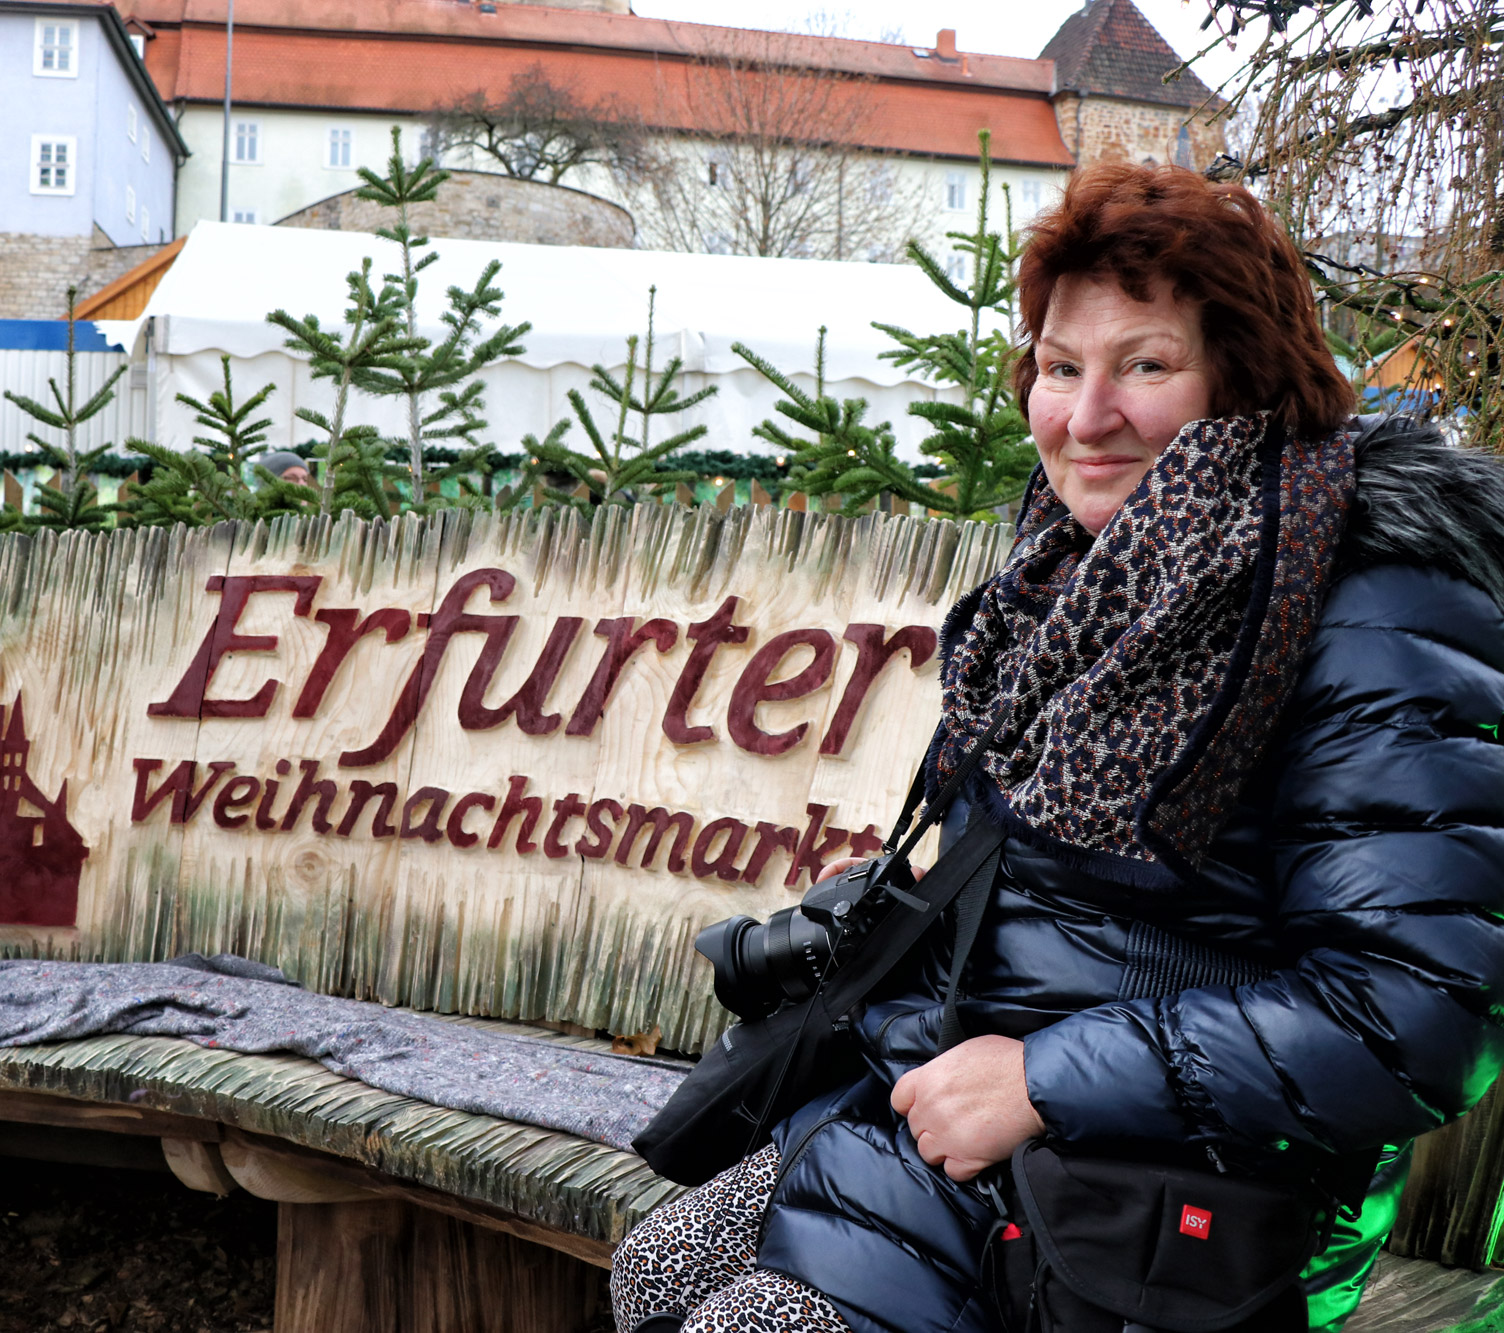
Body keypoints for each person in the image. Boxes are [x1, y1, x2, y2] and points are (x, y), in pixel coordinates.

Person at [611, 162, 1504, 1333]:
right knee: (660, 1267)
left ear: (1241, 379)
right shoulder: (1069, 581)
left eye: (1142, 365)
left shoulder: (1366, 610)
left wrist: (1037, 1082)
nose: (1085, 419)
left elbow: (1407, 1013)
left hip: (1171, 1192)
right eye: (1058, 367)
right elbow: (1038, 899)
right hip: (959, 1108)